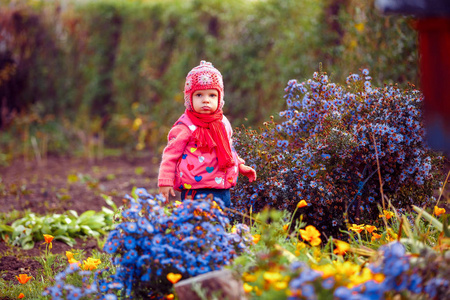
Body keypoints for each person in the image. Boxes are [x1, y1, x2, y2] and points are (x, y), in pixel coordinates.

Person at [158, 60, 256, 208]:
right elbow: (170, 155)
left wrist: (240, 165)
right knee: (197, 224)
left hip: (222, 188)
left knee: (221, 221)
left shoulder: (222, 123)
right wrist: (165, 181)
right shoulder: (185, 127)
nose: (206, 100)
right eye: (199, 95)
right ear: (189, 98)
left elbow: (228, 149)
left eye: (212, 95)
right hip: (195, 190)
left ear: (219, 98)